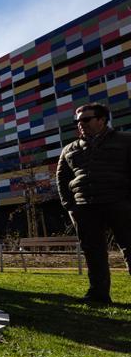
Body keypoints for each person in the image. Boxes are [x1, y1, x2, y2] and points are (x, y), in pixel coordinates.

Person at [56, 103, 131, 304]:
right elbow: (62, 179)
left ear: (102, 119)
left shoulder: (125, 141)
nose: (81, 124)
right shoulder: (69, 149)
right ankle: (98, 294)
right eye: (78, 121)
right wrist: (70, 207)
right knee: (93, 253)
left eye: (86, 119)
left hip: (119, 203)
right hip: (85, 207)